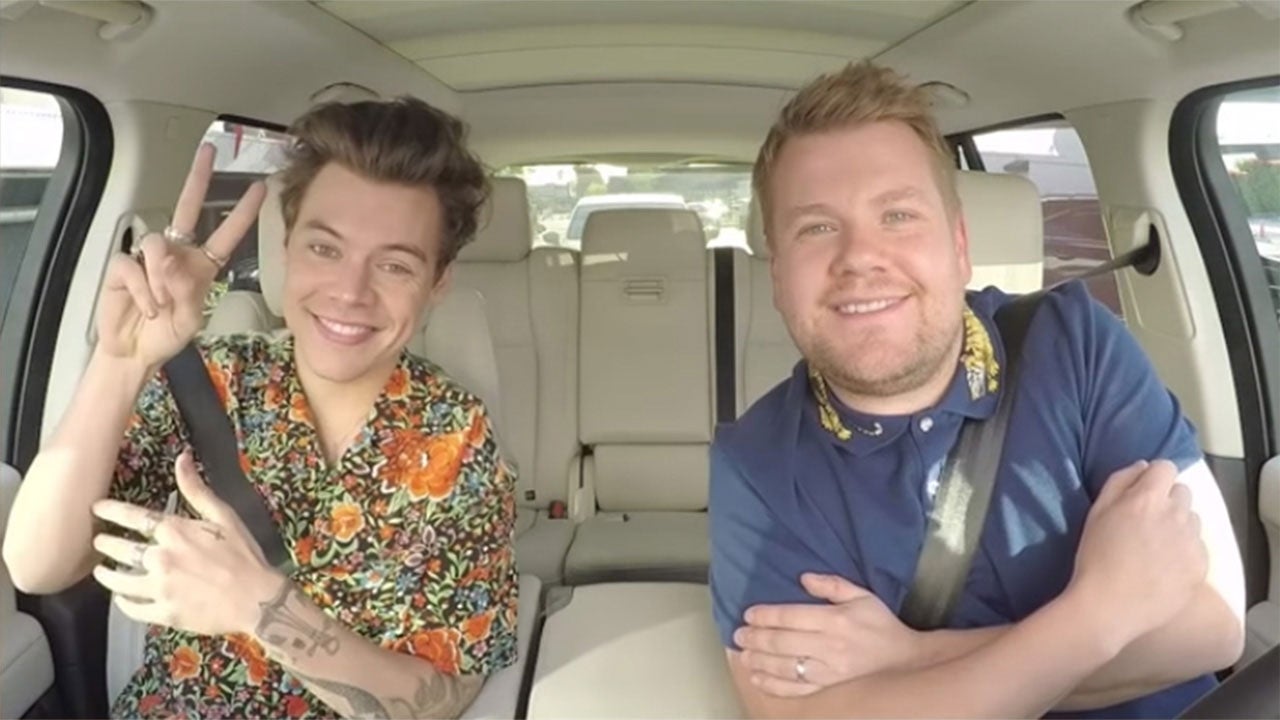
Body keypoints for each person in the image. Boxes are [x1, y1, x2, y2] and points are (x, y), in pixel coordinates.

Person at [708, 62, 1245, 719]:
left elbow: (1214, 626)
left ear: (959, 245)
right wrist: (1102, 612)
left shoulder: (1078, 345)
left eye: (898, 215)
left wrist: (910, 656)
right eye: (816, 228)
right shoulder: (757, 464)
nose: (859, 256)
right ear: (777, 273)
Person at [3, 97, 518, 719]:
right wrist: (121, 362)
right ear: (286, 248)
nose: (350, 293)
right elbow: (37, 567)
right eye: (325, 249)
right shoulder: (211, 381)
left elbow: (442, 697)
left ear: (438, 281)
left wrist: (260, 606)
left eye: (394, 265)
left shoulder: (456, 437)